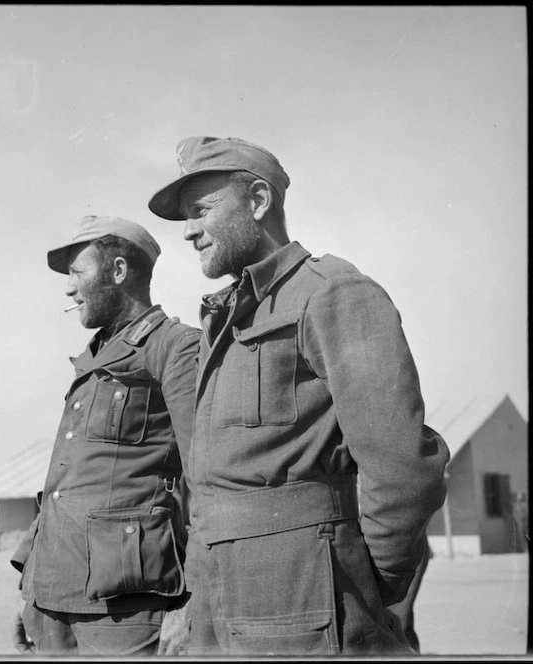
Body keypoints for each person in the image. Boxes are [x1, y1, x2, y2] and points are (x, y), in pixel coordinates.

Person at [147, 135, 451, 656]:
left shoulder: (332, 292)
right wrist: (193, 601)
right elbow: (211, 487)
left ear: (259, 201)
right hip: (219, 611)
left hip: (308, 610)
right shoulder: (225, 318)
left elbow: (403, 467)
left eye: (200, 211)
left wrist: (368, 586)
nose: (189, 231)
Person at [9, 215, 200, 656]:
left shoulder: (175, 346)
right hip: (53, 603)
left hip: (127, 611)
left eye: (78, 272)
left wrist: (196, 601)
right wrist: (32, 592)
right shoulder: (91, 360)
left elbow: (206, 481)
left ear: (118, 271)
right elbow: (68, 485)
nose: (69, 288)